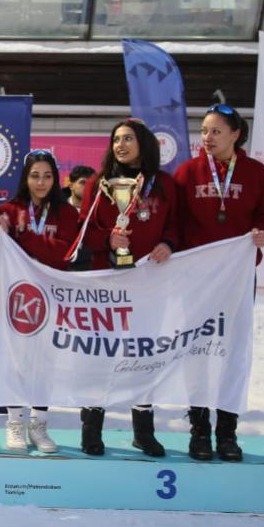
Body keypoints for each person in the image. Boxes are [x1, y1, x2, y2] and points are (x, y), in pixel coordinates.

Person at [173, 104, 264, 462]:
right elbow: (174, 220)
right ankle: (199, 430)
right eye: (203, 131)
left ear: (236, 134)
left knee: (232, 352)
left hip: (237, 277)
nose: (207, 138)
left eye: (216, 131)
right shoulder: (187, 172)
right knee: (198, 352)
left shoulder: (257, 173)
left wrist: (262, 232)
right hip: (196, 279)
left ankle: (228, 432)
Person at [72, 119, 179, 457]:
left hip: (149, 282)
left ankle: (143, 432)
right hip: (107, 282)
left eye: (128, 138)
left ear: (144, 143)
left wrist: (168, 242)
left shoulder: (163, 184)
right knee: (100, 356)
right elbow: (83, 232)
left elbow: (178, 224)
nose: (120, 144)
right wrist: (107, 238)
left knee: (144, 354)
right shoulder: (96, 184)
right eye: (116, 139)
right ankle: (92, 430)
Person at [0, 150, 80, 453]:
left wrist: (25, 237)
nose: (41, 182)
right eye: (35, 175)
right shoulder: (7, 210)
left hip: (52, 298)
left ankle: (39, 425)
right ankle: (15, 423)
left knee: (45, 364)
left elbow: (63, 255)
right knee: (16, 361)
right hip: (18, 299)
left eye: (48, 176)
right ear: (25, 178)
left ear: (56, 178)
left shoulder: (67, 214)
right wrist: (7, 234)